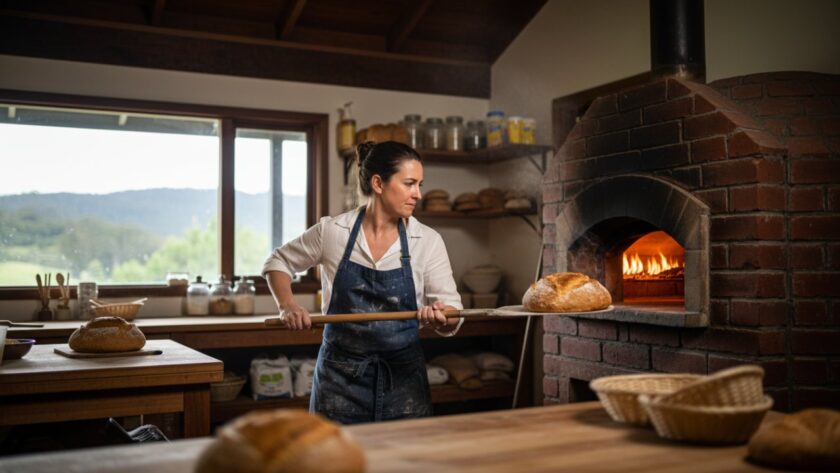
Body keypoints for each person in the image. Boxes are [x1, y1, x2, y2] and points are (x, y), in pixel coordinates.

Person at [262, 140, 463, 424]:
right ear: (378, 183)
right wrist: (287, 305)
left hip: (404, 379)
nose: (418, 194)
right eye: (409, 184)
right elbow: (277, 262)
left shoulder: (426, 241)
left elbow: (454, 309)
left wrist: (443, 317)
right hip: (339, 381)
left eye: (420, 184)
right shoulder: (334, 232)